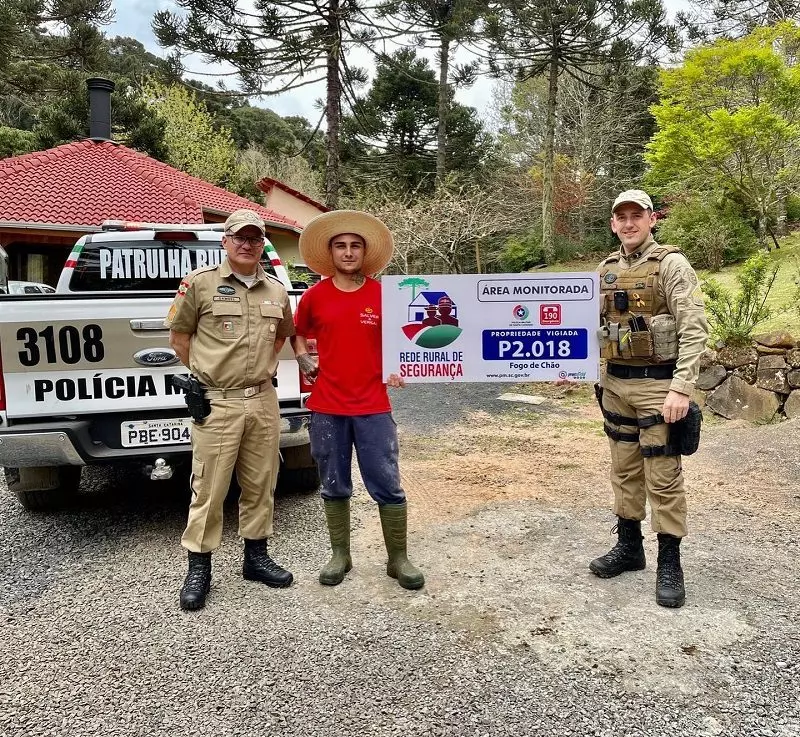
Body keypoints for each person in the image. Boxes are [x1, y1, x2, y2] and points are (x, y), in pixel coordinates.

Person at [166, 208, 295, 611]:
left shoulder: (275, 291)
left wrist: (257, 375)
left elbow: (280, 340)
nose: (247, 244)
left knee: (261, 481)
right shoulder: (201, 285)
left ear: (262, 246)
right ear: (225, 241)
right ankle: (199, 568)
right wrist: (208, 378)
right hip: (217, 401)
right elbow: (180, 338)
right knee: (210, 487)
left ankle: (256, 558)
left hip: (262, 399)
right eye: (240, 237)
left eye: (255, 239)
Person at [292, 210, 425, 590]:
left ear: (364, 254)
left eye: (355, 246)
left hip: (373, 405)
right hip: (327, 406)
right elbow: (297, 333)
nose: (348, 252)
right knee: (333, 482)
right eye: (340, 246)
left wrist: (401, 366)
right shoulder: (315, 296)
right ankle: (341, 555)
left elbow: (405, 341)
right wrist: (303, 354)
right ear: (330, 253)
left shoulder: (385, 295)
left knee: (387, 482)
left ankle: (398, 559)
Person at [590, 189, 708, 608]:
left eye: (636, 215)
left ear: (651, 219)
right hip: (615, 385)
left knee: (663, 475)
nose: (628, 223)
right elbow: (590, 329)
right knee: (623, 471)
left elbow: (694, 328)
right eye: (620, 217)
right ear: (612, 224)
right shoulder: (604, 270)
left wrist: (681, 387)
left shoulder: (671, 265)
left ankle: (670, 562)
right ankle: (630, 548)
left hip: (658, 385)